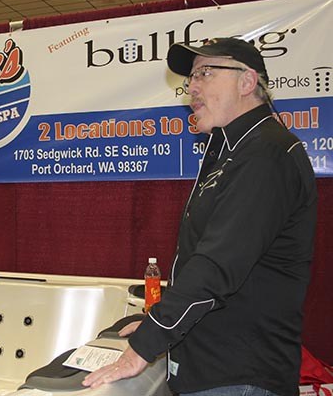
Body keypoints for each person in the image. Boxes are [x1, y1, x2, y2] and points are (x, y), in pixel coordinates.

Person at [83, 38, 317, 396]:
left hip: (238, 376)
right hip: (218, 369)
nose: (191, 87)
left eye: (205, 73)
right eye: (191, 77)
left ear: (247, 82)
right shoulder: (233, 151)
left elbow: (217, 265)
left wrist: (145, 345)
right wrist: (154, 322)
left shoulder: (266, 155)